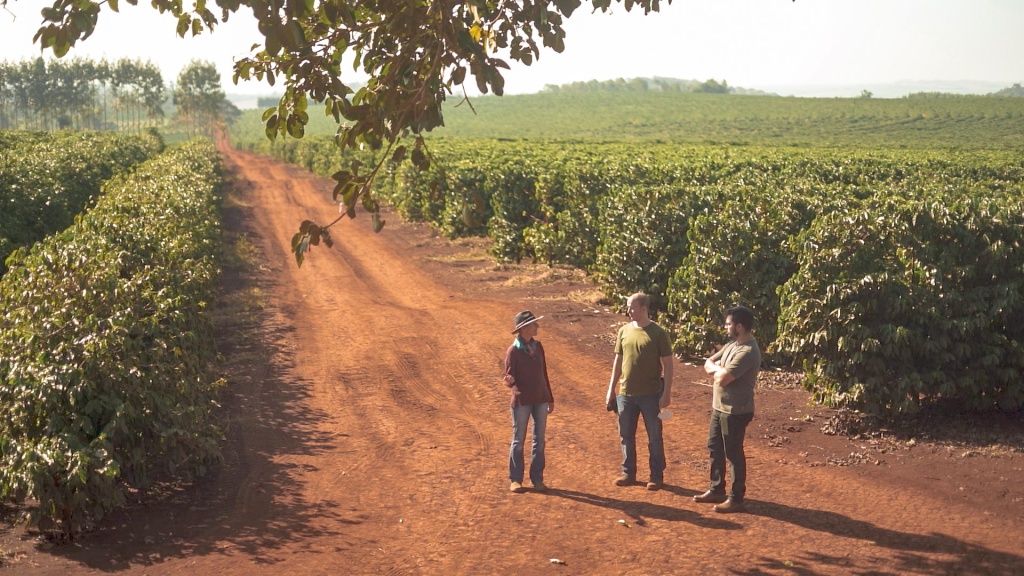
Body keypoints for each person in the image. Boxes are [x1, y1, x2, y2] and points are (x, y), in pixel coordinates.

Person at [694, 305, 761, 513]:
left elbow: (722, 379)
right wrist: (719, 370)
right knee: (714, 447)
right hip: (720, 407)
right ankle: (717, 489)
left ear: (739, 326)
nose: (725, 327)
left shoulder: (748, 351)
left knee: (733, 453)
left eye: (728, 324)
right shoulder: (733, 344)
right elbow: (708, 363)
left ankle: (736, 498)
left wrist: (717, 371)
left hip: (736, 411)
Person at [604, 292, 674, 491]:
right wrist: (611, 389)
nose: (628, 311)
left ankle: (656, 476)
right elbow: (618, 361)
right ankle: (628, 473)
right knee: (626, 435)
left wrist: (666, 394)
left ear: (643, 309)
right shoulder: (624, 331)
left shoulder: (658, 333)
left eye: (632, 307)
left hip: (651, 395)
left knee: (654, 437)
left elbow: (668, 365)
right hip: (626, 394)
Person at [503, 310, 555, 494]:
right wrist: (510, 382)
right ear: (524, 328)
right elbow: (508, 377)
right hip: (522, 401)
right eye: (534, 324)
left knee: (539, 440)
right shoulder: (513, 351)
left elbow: (544, 373)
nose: (537, 326)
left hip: (540, 399)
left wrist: (549, 397)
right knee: (519, 440)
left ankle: (537, 479)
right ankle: (515, 479)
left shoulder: (538, 347)